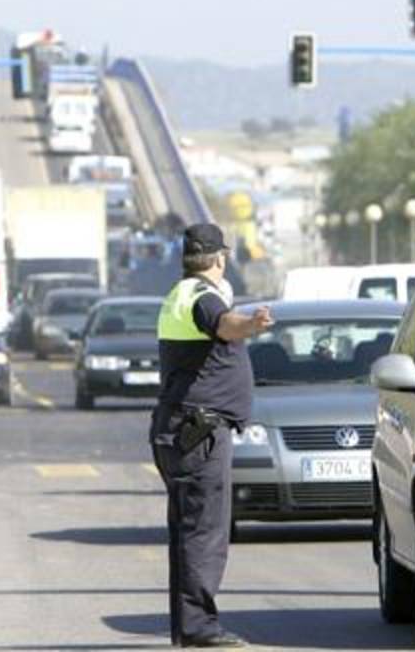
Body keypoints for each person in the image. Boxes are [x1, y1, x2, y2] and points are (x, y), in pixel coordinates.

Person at [151, 223, 272, 648]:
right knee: (204, 532)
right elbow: (223, 324)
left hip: (183, 429)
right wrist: (252, 324)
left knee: (189, 532)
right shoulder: (202, 297)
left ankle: (188, 628)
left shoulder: (179, 294)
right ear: (220, 259)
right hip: (197, 432)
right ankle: (200, 629)